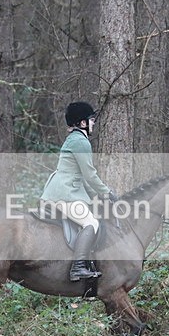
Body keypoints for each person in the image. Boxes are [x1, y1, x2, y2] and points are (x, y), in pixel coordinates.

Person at [40, 101, 117, 281]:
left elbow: (82, 177)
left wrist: (96, 196)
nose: (93, 123)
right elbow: (90, 175)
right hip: (64, 194)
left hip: (63, 190)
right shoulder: (81, 142)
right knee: (91, 223)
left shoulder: (74, 139)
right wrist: (107, 193)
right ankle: (78, 267)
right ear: (83, 123)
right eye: (91, 120)